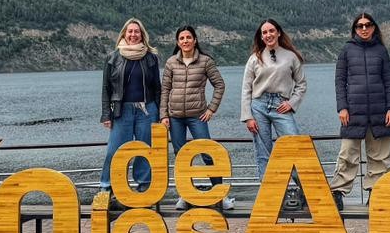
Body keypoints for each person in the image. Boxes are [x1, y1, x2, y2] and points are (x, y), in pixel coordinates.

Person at [331, 12, 390, 210]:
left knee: (379, 156)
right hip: (353, 111)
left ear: (374, 27)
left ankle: (377, 191)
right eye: (360, 26)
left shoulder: (381, 51)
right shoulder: (346, 50)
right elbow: (340, 81)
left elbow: (389, 82)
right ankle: (338, 192)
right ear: (355, 30)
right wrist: (342, 107)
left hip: (379, 111)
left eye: (368, 25)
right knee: (348, 153)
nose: (364, 28)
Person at [240, 19, 307, 201]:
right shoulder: (255, 58)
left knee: (295, 148)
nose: (268, 35)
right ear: (261, 37)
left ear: (278, 33)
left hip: (281, 106)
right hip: (258, 105)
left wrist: (292, 103)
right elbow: (246, 88)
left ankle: (308, 192)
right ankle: (270, 196)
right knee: (263, 152)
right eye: (264, 32)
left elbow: (301, 85)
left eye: (271, 31)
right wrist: (247, 116)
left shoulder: (291, 56)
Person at [160, 25, 227, 207]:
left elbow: (220, 85)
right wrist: (163, 115)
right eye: (181, 38)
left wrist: (211, 109)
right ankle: (185, 194)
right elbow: (165, 90)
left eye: (188, 37)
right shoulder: (171, 62)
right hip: (175, 117)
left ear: (195, 40)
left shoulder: (205, 61)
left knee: (208, 153)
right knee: (181, 155)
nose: (185, 41)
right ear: (177, 42)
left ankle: (220, 194)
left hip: (198, 115)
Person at [99, 18, 162, 195]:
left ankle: (143, 186)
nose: (133, 35)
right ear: (124, 34)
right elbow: (106, 88)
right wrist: (106, 114)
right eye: (130, 31)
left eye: (137, 31)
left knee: (144, 150)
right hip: (122, 110)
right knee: (114, 150)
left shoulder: (151, 58)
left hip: (147, 110)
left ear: (142, 34)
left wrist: (159, 113)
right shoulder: (112, 57)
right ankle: (106, 187)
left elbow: (157, 87)